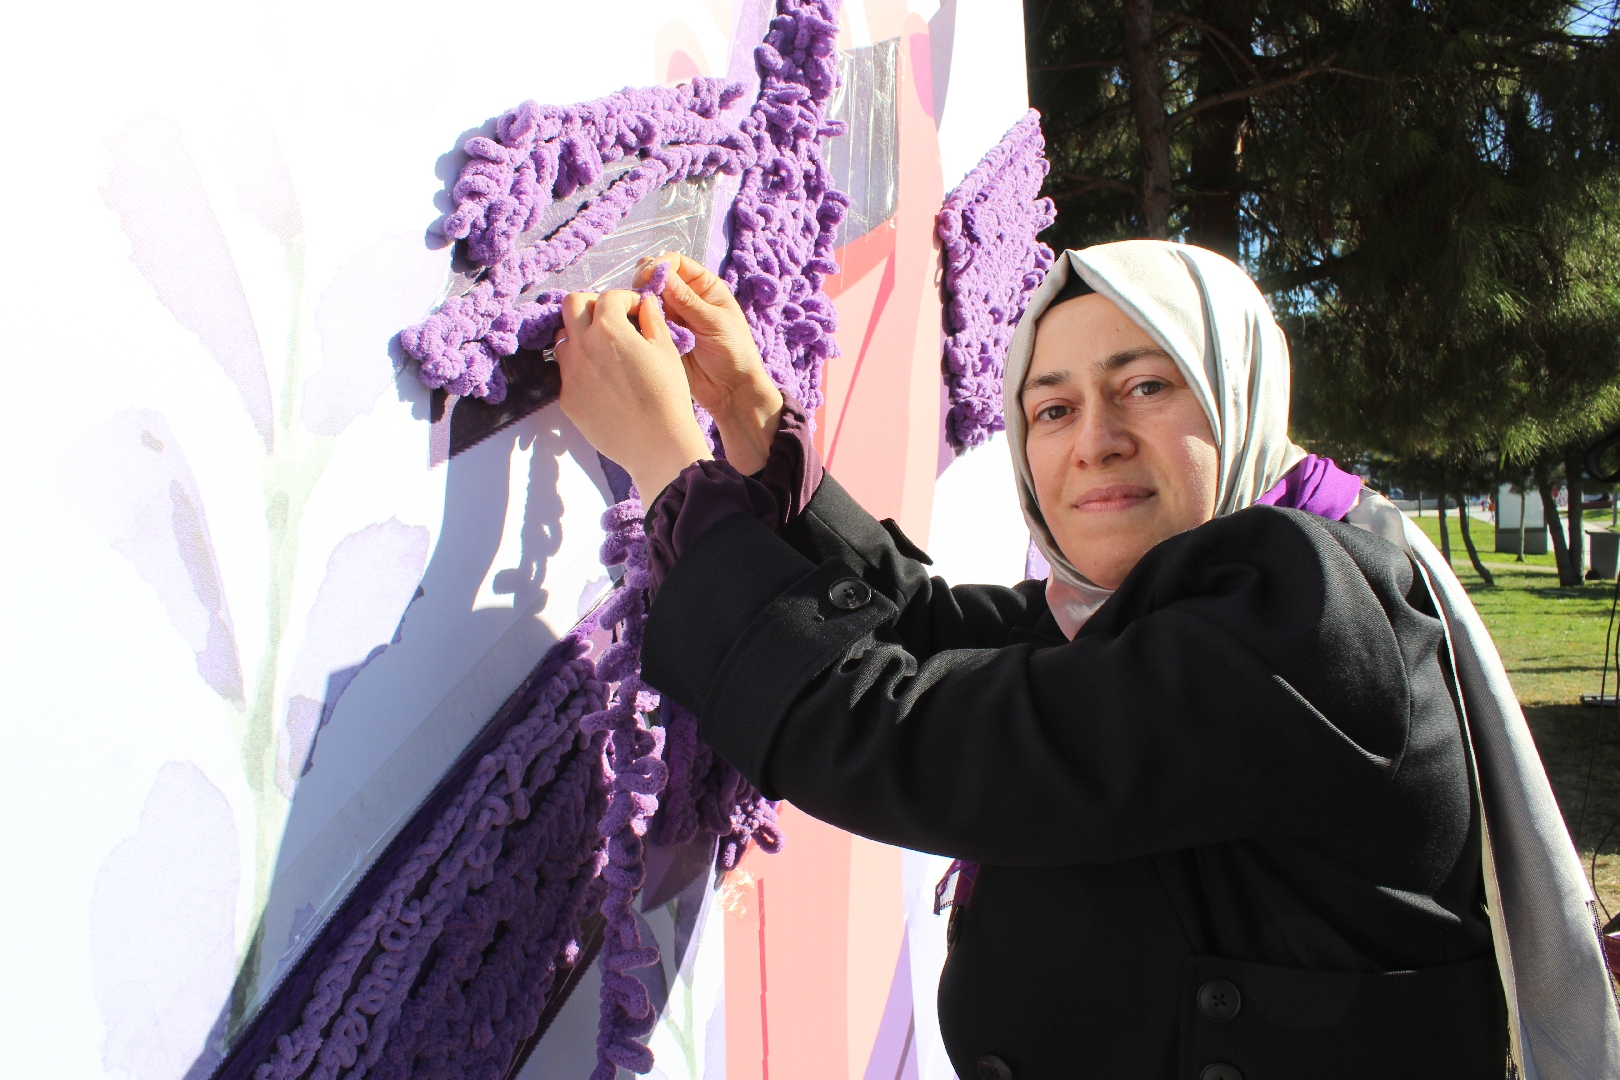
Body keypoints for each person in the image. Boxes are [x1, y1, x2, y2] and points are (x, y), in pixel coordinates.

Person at [552, 241, 1617, 1079]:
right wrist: (752, 422)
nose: (1093, 439)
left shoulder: (1308, 611)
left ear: (1237, 395)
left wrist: (672, 472)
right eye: (1052, 408)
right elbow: (934, 632)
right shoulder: (1165, 607)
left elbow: (914, 737)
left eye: (1145, 386)